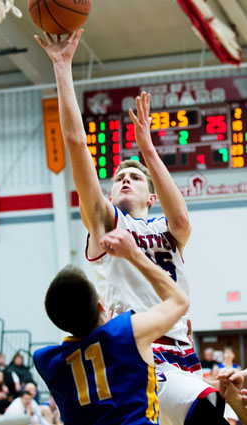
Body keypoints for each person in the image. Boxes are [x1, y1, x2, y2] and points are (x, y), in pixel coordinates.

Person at [34, 30, 226, 425]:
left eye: (134, 177)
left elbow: (183, 220)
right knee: (210, 414)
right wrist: (62, 67)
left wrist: (149, 152)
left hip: (181, 353)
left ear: (150, 195)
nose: (124, 178)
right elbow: (74, 143)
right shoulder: (107, 223)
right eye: (118, 176)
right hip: (136, 350)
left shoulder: (167, 226)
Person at [33, 228, 190, 425]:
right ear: (101, 305)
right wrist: (134, 254)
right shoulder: (127, 332)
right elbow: (179, 301)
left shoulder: (47, 362)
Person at [213, 347, 241, 425]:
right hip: (220, 398)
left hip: (232, 398)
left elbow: (239, 384)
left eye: (230, 353)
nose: (229, 355)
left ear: (233, 355)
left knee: (232, 421)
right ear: (223, 355)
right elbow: (213, 383)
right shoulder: (217, 367)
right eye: (227, 353)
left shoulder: (237, 367)